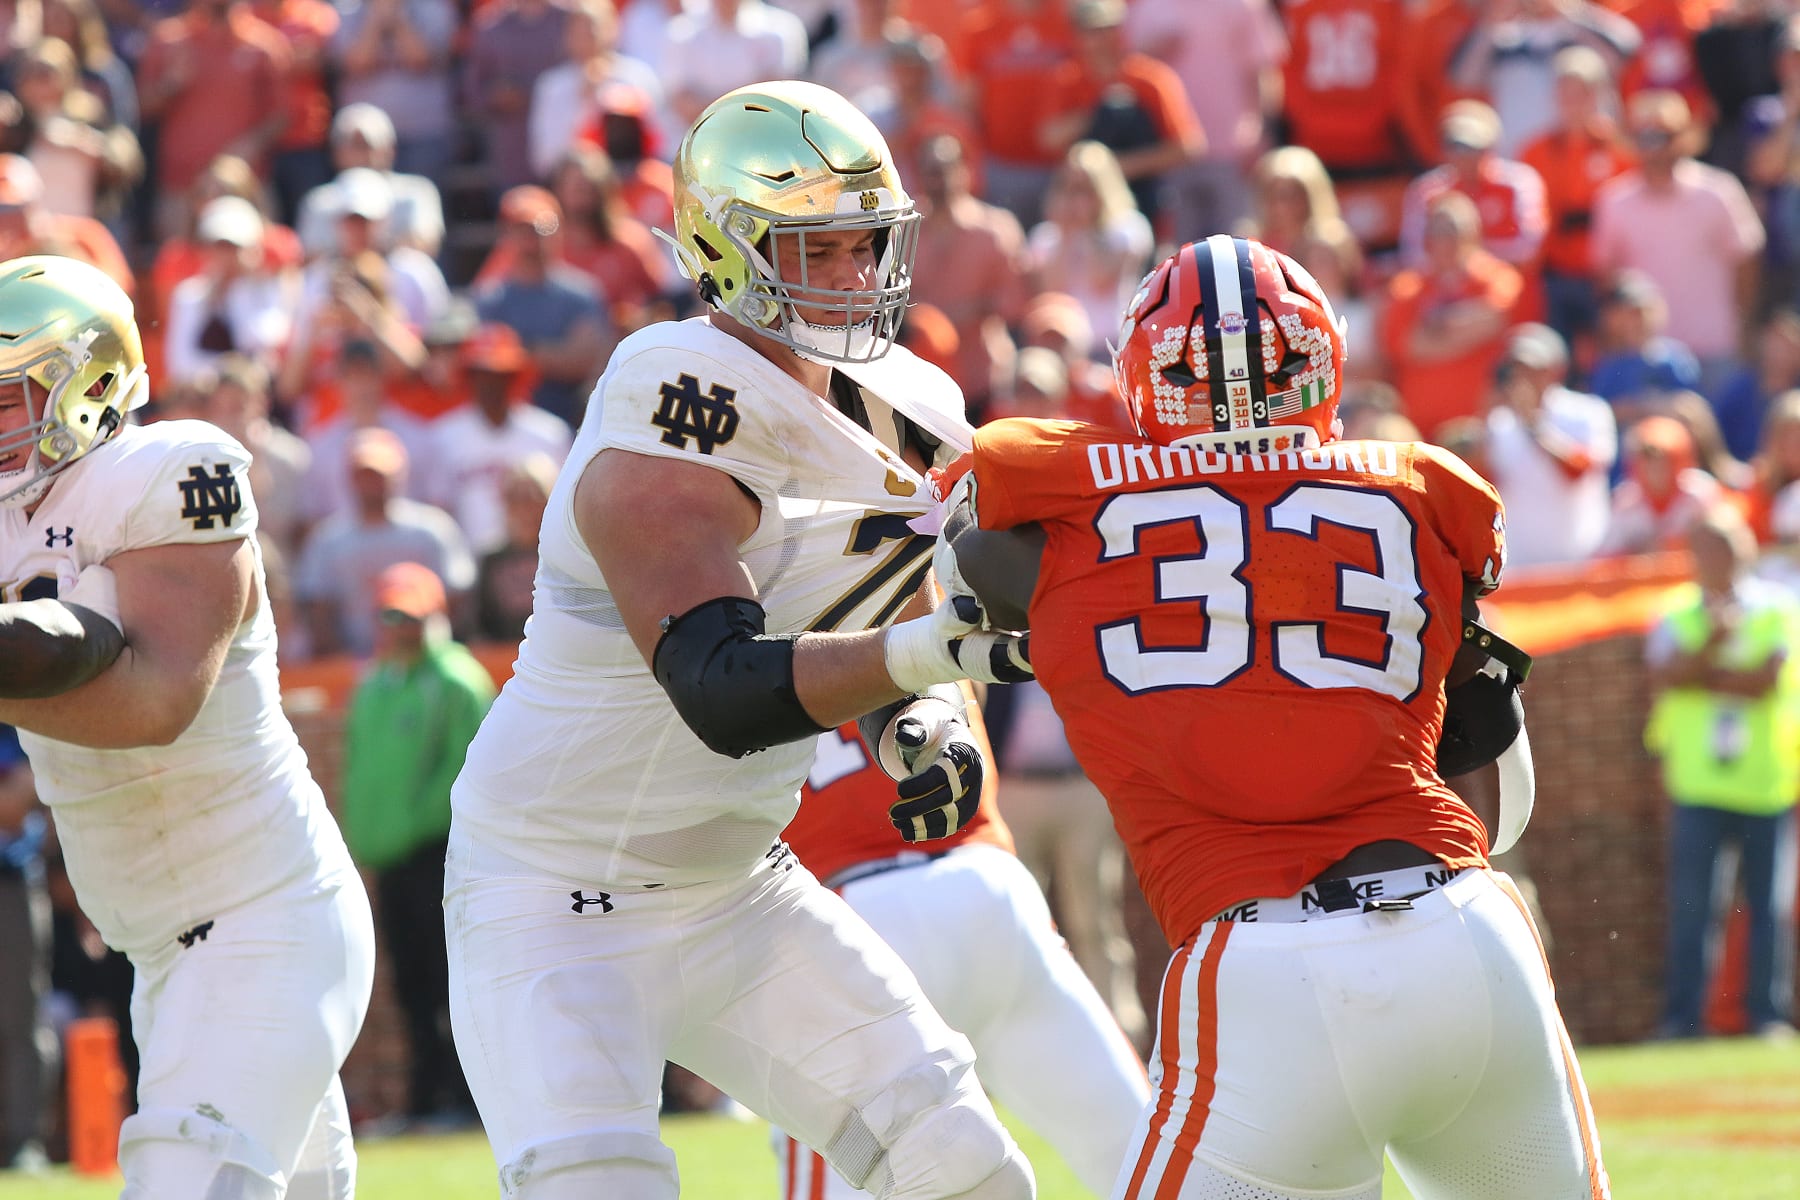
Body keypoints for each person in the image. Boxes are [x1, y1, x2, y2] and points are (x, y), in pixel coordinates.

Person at [444, 81, 1036, 1199]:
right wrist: (932, 666)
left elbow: (899, 614)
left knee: (965, 1165)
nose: (860, 274)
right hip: (551, 889)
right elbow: (720, 691)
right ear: (727, 250)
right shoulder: (671, 397)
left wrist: (926, 719)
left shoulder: (916, 402)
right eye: (820, 248)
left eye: (869, 241)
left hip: (736, 882)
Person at [934, 234, 1610, 1199]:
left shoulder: (1045, 507)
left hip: (1267, 967)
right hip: (1468, 934)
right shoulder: (1422, 490)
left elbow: (960, 560)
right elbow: (1504, 801)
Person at [0, 254, 374, 1196]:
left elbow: (156, 704)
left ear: (81, 385)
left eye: (8, 396)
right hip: (164, 955)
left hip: (268, 915)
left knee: (181, 1176)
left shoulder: (172, 468)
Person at [776, 712, 1149, 1198]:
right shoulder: (906, 633)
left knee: (842, 1167)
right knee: (1136, 1148)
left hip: (856, 911)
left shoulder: (728, 651)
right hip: (989, 885)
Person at [341, 561, 494, 1124]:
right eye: (388, 615)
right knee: (410, 985)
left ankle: (463, 1099)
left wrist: (406, 829)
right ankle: (425, 1100)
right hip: (393, 861)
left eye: (408, 615)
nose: (397, 627)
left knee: (449, 981)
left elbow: (465, 772)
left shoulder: (457, 681)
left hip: (441, 854)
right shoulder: (374, 685)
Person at [1645, 506, 1800, 1040]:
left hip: (1766, 784)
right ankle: (1683, 1022)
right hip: (1698, 786)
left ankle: (1767, 1017)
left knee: (1770, 910)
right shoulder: (1674, 612)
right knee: (1693, 909)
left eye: (1728, 547)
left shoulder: (1779, 607)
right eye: (1708, 549)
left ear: (1748, 550)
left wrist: (1701, 673)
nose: (1719, 560)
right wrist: (1712, 645)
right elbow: (1666, 675)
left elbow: (1766, 681)